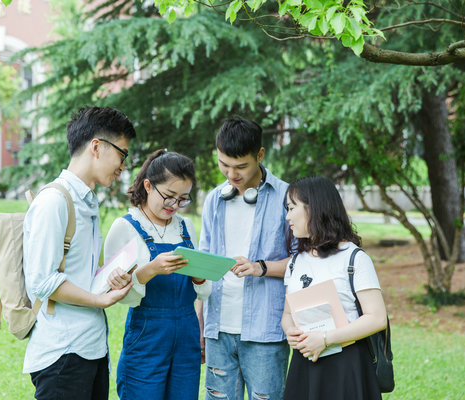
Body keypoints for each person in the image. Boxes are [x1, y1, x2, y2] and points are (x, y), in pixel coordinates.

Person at [22, 106, 137, 400]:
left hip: (92, 348)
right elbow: (43, 281)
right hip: (63, 354)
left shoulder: (87, 200)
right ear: (97, 147)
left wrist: (108, 279)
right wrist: (100, 299)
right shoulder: (54, 201)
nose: (124, 165)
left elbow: (78, 272)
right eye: (122, 154)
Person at [103, 149, 212, 400]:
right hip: (147, 334)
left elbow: (203, 292)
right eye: (169, 197)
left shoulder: (184, 227)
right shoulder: (125, 227)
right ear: (148, 186)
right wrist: (150, 270)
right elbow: (115, 294)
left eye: (183, 199)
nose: (175, 205)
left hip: (186, 333)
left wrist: (199, 277)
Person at [199, 117, 291, 400]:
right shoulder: (214, 199)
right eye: (223, 164)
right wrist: (200, 323)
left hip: (266, 331)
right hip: (218, 328)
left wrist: (260, 267)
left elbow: (305, 263)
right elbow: (204, 262)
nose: (231, 174)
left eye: (241, 166)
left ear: (260, 155)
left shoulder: (287, 197)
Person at [281, 176, 388, 400]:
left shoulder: (354, 259)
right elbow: (288, 314)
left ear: (315, 208)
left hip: (346, 367)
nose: (288, 216)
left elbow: (377, 318)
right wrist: (290, 331)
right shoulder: (295, 262)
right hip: (305, 364)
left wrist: (326, 338)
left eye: (292, 208)